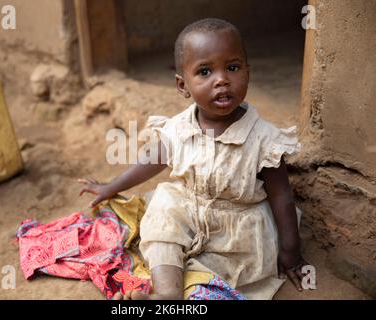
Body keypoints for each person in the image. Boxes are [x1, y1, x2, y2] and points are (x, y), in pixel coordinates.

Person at [78, 18, 309, 300]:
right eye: (204, 72)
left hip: (236, 231)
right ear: (182, 85)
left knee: (215, 270)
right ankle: (166, 294)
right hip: (188, 211)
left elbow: (282, 196)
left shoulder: (264, 140)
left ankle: (183, 289)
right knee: (163, 210)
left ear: (248, 73)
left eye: (233, 68)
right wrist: (110, 187)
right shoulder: (178, 127)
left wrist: (291, 251)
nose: (222, 79)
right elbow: (151, 161)